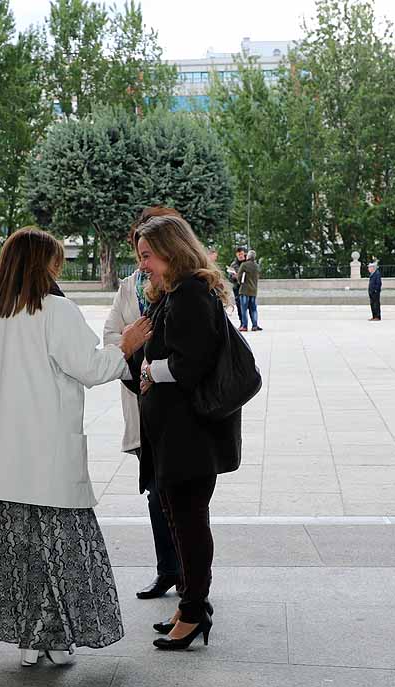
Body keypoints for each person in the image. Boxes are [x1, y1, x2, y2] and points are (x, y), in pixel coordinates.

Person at [0, 226, 151, 668]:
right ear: (45, 265)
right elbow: (89, 368)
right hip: (44, 459)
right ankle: (57, 636)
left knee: (17, 554)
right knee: (58, 552)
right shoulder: (55, 310)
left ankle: (28, 640)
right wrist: (125, 346)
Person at [126, 214, 242, 650]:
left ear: (171, 251)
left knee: (190, 524)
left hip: (189, 436)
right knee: (180, 520)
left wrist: (150, 368)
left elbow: (190, 365)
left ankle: (194, 611)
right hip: (174, 434)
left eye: (147, 256)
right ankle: (191, 604)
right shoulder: (175, 292)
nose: (143, 266)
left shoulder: (191, 292)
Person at [104, 206, 183, 601]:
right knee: (156, 494)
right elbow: (110, 336)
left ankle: (187, 578)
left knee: (174, 497)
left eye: (148, 248)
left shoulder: (184, 287)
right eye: (139, 247)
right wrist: (129, 344)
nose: (142, 258)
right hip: (141, 407)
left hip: (177, 412)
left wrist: (141, 350)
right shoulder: (128, 286)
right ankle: (169, 569)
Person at [237, 249, 262, 331]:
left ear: (248, 256)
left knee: (244, 309)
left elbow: (239, 277)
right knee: (253, 309)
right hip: (254, 290)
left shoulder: (244, 265)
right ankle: (255, 325)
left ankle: (244, 326)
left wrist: (240, 282)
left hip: (244, 290)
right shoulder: (257, 266)